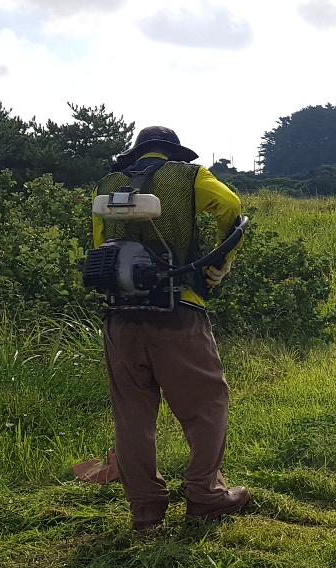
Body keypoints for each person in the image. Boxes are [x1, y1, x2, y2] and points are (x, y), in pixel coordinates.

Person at [91, 126, 249, 531]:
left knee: (132, 417)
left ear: (138, 153)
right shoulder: (189, 177)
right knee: (206, 405)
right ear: (173, 152)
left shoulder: (109, 185)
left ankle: (145, 510)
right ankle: (205, 495)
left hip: (120, 318)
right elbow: (232, 208)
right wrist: (213, 269)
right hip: (178, 311)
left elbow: (100, 247)